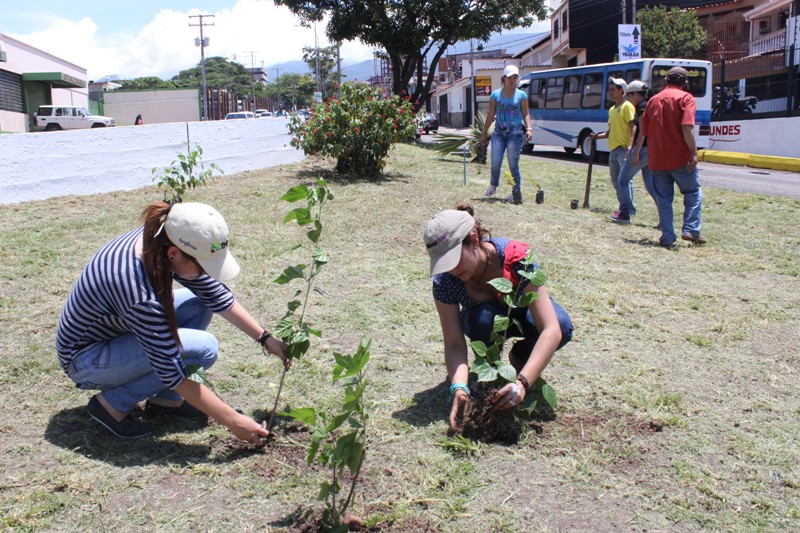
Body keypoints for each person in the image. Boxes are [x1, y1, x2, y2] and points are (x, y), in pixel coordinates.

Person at [56, 201, 290, 442]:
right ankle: (111, 405)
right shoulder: (137, 292)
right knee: (204, 348)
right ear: (173, 254)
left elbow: (213, 293)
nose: (208, 273)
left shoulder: (161, 237)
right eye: (204, 266)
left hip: (116, 333)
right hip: (86, 360)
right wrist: (234, 421)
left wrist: (265, 338)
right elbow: (170, 369)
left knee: (198, 303)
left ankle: (165, 401)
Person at [424, 204, 573, 432]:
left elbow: (551, 329)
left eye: (453, 259)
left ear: (473, 240)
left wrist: (522, 383)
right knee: (483, 319)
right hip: (483, 321)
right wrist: (460, 387)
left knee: (562, 324)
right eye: (444, 264)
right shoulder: (446, 281)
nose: (451, 270)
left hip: (523, 316)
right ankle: (490, 373)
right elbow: (454, 344)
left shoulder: (517, 259)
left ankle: (521, 359)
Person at [640, 66, 706, 247]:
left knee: (663, 199)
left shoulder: (653, 100)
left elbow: (644, 131)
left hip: (657, 159)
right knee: (693, 192)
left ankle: (667, 238)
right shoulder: (686, 98)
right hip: (680, 158)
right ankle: (691, 228)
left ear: (666, 80)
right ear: (685, 83)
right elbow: (687, 127)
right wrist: (694, 152)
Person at [480, 65, 533, 205]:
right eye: (509, 77)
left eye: (515, 77)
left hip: (515, 134)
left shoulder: (521, 95)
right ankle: (493, 185)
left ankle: (516, 191)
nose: (512, 80)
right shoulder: (495, 95)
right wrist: (484, 133)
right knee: (495, 161)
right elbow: (491, 114)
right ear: (504, 78)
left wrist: (529, 129)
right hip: (499, 133)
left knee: (513, 163)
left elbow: (525, 113)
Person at [590, 77, 636, 223]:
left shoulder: (627, 106)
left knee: (624, 181)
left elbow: (633, 126)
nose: (610, 92)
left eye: (613, 89)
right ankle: (625, 208)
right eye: (610, 89)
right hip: (614, 150)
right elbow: (610, 132)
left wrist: (630, 145)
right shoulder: (612, 109)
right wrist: (597, 136)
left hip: (623, 149)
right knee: (616, 181)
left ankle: (626, 211)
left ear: (622, 91)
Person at [614, 80, 655, 223]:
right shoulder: (647, 105)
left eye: (630, 95)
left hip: (643, 150)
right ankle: (664, 218)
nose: (629, 99)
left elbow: (643, 132)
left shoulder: (642, 107)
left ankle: (625, 213)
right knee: (651, 187)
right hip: (650, 151)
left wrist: (636, 152)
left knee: (622, 180)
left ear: (636, 94)